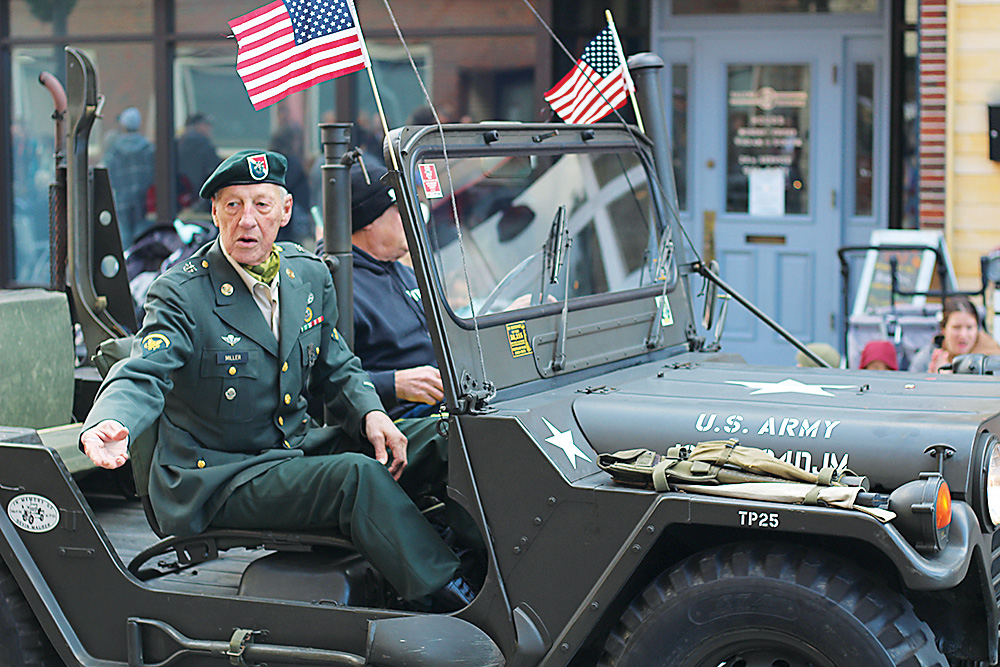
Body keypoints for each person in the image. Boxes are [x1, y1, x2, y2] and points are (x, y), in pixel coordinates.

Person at [79, 150, 473, 611]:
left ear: (285, 211)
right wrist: (109, 421)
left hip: (294, 448)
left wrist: (372, 413)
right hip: (221, 475)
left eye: (261, 205)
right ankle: (454, 599)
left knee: (451, 437)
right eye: (232, 205)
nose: (247, 220)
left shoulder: (306, 274)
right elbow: (144, 370)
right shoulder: (181, 292)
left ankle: (483, 559)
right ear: (215, 213)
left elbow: (336, 363)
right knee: (358, 476)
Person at [349, 158, 443, 419]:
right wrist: (393, 384)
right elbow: (321, 383)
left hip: (448, 402)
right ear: (370, 219)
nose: (413, 219)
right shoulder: (337, 285)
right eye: (401, 209)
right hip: (399, 418)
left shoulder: (406, 273)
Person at [104, 107, 155, 247]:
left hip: (122, 200)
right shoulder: (149, 149)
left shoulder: (114, 151)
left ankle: (127, 265)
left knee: (124, 236)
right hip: (143, 200)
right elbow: (155, 175)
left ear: (123, 125)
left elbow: (109, 175)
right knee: (143, 235)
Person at [910, 295, 1000, 372]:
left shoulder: (992, 360)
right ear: (943, 329)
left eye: (969, 327)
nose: (963, 335)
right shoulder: (926, 359)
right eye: (956, 327)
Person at [177, 112, 221, 213]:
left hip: (180, 199)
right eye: (207, 125)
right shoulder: (205, 147)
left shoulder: (178, 144)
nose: (210, 129)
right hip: (200, 199)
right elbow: (214, 172)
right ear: (199, 126)